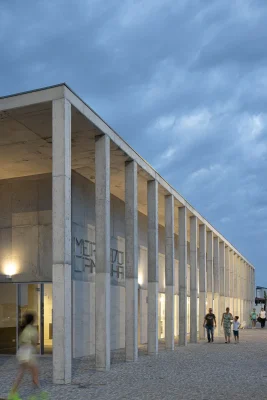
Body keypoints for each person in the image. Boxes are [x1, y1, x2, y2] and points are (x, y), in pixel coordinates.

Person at [9, 312, 39, 399]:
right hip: (28, 353)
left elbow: (20, 341)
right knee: (35, 372)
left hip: (21, 352)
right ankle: (36, 393)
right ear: (33, 320)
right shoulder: (32, 329)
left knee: (21, 373)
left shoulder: (24, 329)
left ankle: (12, 392)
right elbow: (35, 342)